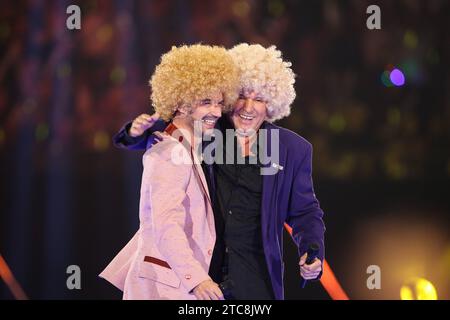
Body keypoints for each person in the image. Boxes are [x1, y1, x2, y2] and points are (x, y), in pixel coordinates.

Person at [113, 43, 325, 300]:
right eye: (242, 96)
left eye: (258, 99)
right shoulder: (208, 129)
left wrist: (312, 250)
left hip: (255, 277)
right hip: (202, 272)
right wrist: (134, 132)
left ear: (272, 103)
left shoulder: (293, 149)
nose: (248, 107)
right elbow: (168, 128)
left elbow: (305, 211)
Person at [99, 44, 240, 300]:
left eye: (219, 102)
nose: (216, 112)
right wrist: (197, 280)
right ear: (182, 104)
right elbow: (166, 224)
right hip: (165, 287)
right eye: (206, 102)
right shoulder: (168, 150)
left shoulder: (187, 148)